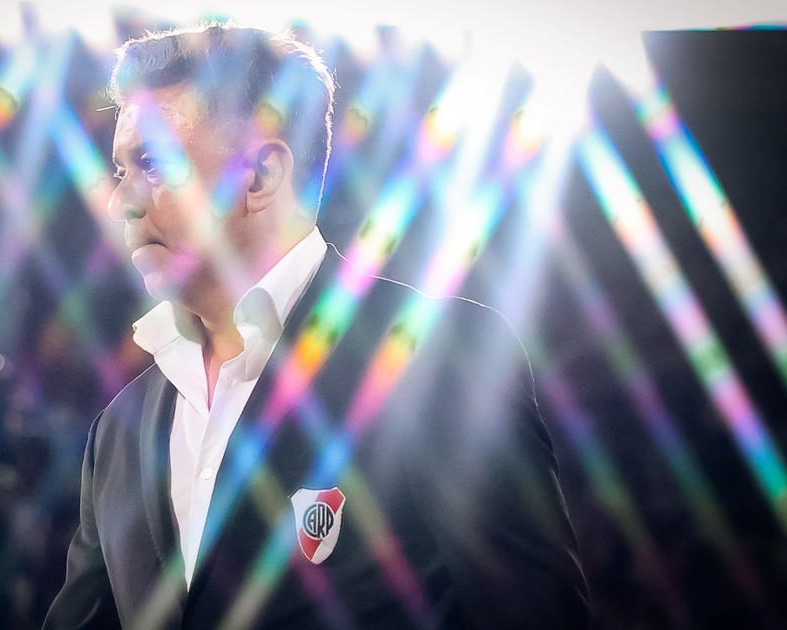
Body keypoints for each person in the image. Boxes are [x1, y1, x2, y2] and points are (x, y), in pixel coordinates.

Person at [45, 23, 589, 629]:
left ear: (259, 177)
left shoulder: (433, 357)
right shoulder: (116, 434)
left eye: (151, 162)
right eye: (121, 170)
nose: (120, 201)